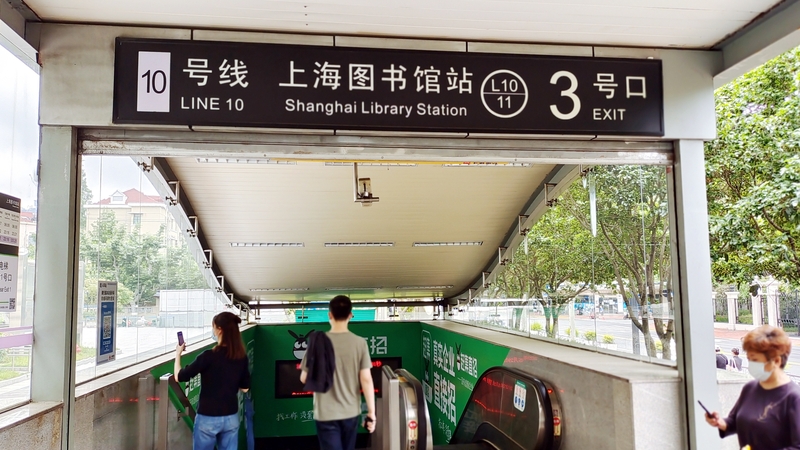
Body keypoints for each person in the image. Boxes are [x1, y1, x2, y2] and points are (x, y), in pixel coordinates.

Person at [705, 325, 800, 449]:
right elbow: (734, 422)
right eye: (749, 359)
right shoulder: (750, 388)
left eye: (755, 360)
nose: (750, 364)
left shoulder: (794, 398)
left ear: (776, 361)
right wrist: (720, 422)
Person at [300, 295, 376, 450]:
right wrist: (371, 413)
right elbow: (366, 380)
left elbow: (304, 378)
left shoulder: (317, 342)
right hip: (350, 412)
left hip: (325, 413)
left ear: (330, 315)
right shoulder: (360, 343)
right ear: (350, 315)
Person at [174, 312, 251, 450]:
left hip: (207, 417)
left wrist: (178, 354)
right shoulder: (241, 357)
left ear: (219, 329)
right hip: (231, 416)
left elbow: (180, 376)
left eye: (213, 327)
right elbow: (245, 388)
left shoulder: (208, 356)